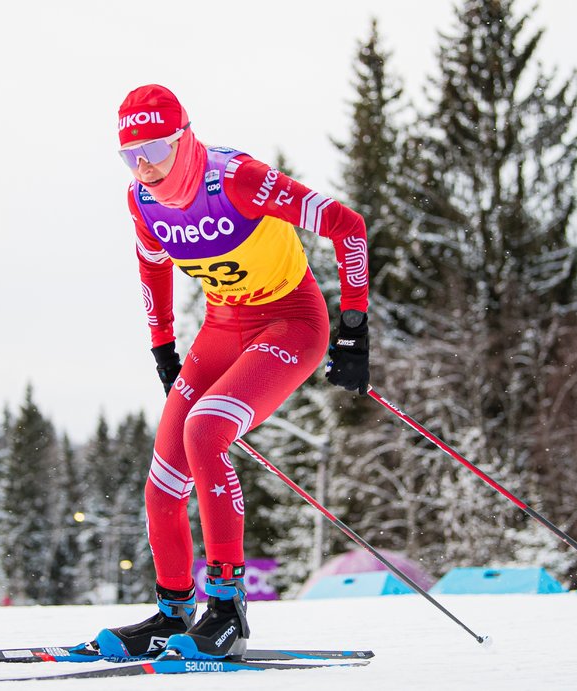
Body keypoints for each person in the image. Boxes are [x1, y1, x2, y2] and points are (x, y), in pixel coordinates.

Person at [92, 84, 370, 660]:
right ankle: (174, 613)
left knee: (206, 432)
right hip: (224, 325)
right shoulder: (141, 200)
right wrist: (163, 348)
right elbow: (151, 267)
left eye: (153, 149)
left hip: (292, 322)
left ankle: (228, 611)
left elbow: (348, 227)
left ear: (182, 139)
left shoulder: (238, 180)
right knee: (163, 479)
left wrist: (353, 329)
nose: (142, 165)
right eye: (129, 154)